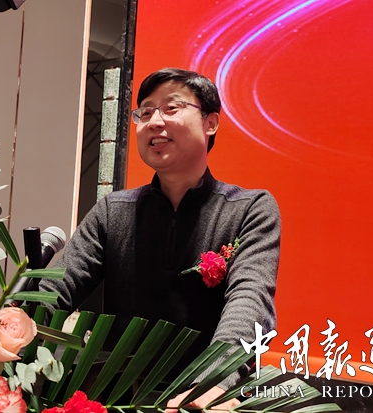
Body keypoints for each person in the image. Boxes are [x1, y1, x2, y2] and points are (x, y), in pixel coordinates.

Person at [39, 68, 280, 410]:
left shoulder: (249, 209)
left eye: (171, 108)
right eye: (145, 112)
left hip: (207, 399)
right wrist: (10, 325)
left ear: (211, 122)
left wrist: (212, 383)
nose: (154, 121)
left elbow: (250, 300)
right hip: (120, 399)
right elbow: (56, 288)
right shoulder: (113, 211)